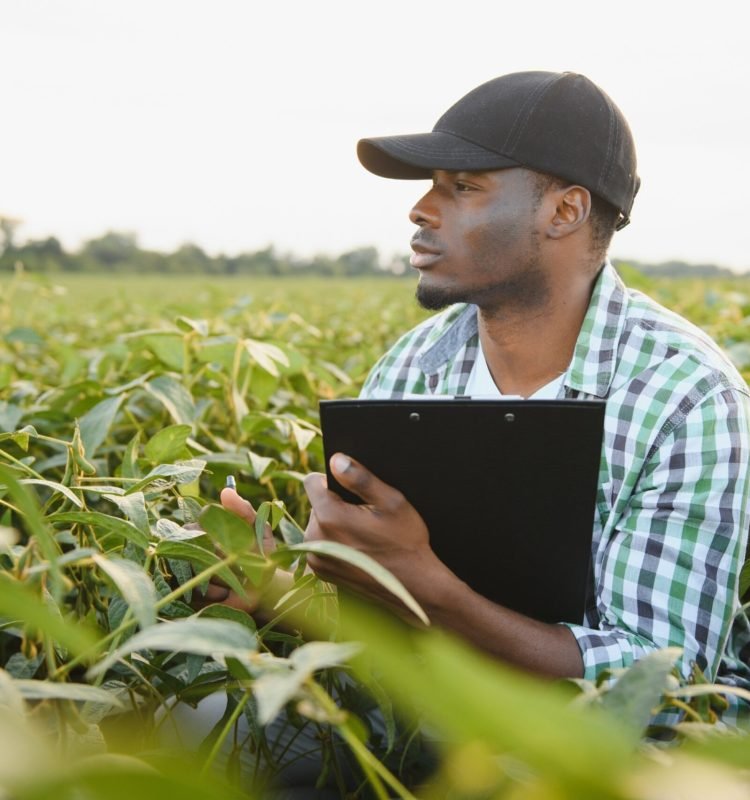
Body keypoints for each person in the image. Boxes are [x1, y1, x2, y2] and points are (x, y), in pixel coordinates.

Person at [294, 70, 750, 721]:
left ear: (564, 211)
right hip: (407, 736)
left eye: (462, 187)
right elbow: (377, 635)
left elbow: (664, 691)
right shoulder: (414, 365)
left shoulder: (687, 397)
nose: (421, 210)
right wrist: (270, 593)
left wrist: (428, 588)